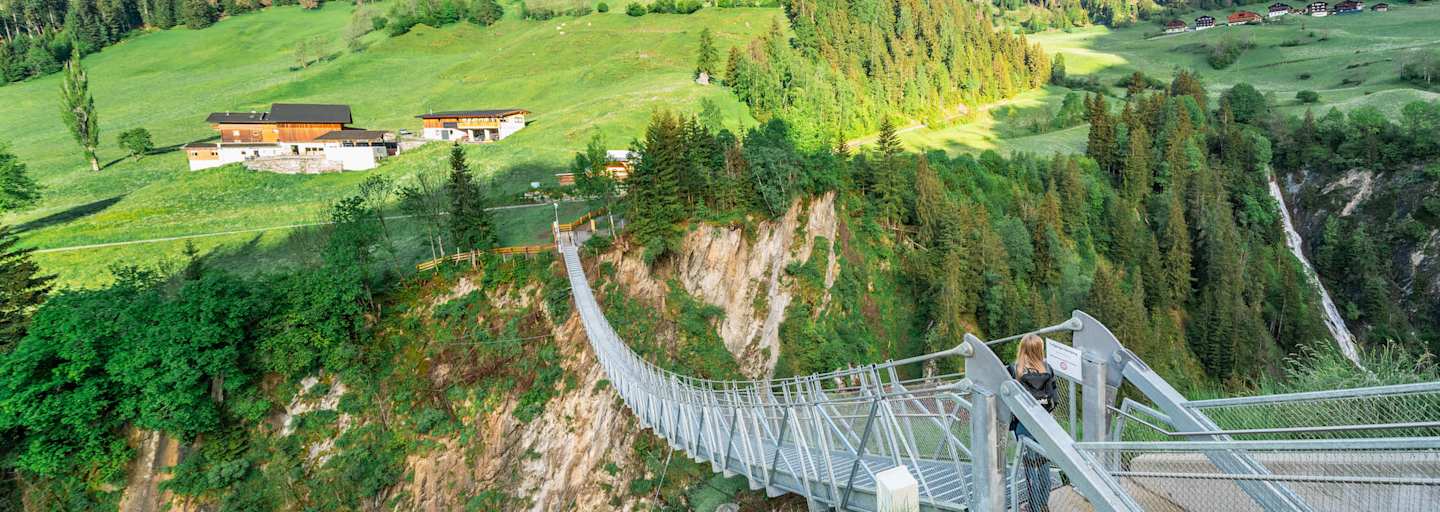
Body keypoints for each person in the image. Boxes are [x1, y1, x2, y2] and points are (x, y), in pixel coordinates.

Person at [1009, 334, 1057, 512]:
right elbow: (1054, 399)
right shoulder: (1048, 369)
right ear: (1040, 349)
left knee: (1029, 465)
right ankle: (1043, 504)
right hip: (1044, 423)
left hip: (1024, 424)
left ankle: (1033, 507)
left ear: (1022, 349)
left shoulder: (1015, 370)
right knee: (1043, 462)